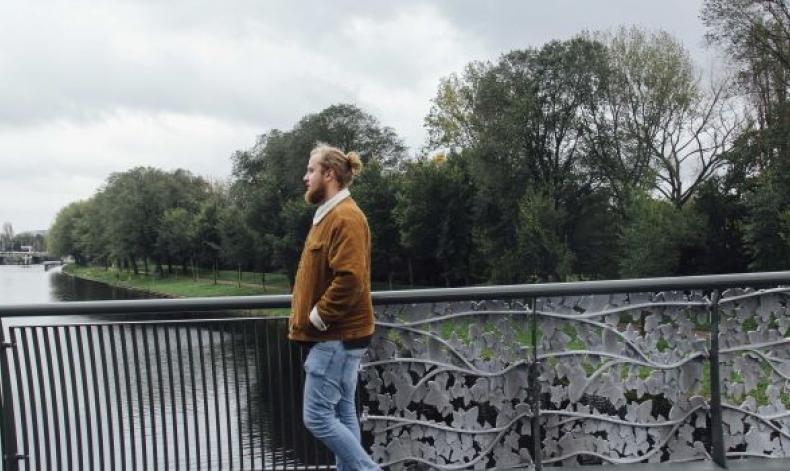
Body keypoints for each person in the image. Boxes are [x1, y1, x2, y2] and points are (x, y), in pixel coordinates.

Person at [289, 143, 380, 470]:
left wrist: (318, 317)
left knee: (316, 416)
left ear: (329, 173)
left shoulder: (345, 216)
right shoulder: (330, 215)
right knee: (342, 411)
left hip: (336, 336)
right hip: (340, 336)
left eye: (311, 170)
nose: (306, 177)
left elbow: (350, 278)